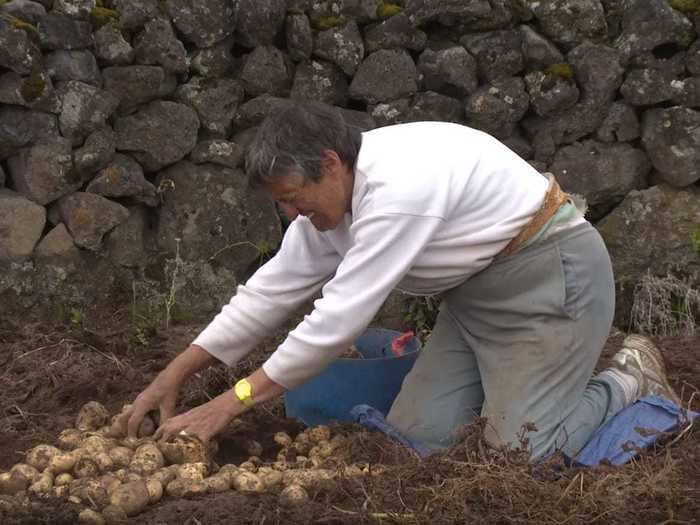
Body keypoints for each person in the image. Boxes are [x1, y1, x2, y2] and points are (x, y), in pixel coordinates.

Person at [121, 102, 681, 461]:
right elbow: (267, 293)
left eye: (294, 198)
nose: (292, 215)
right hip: (473, 298)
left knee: (523, 454)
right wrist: (169, 379)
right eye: (282, 203)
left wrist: (229, 403)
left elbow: (335, 322)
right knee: (419, 438)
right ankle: (520, 384)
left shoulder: (398, 194)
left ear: (331, 161)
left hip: (551, 279)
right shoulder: (327, 206)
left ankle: (630, 379)